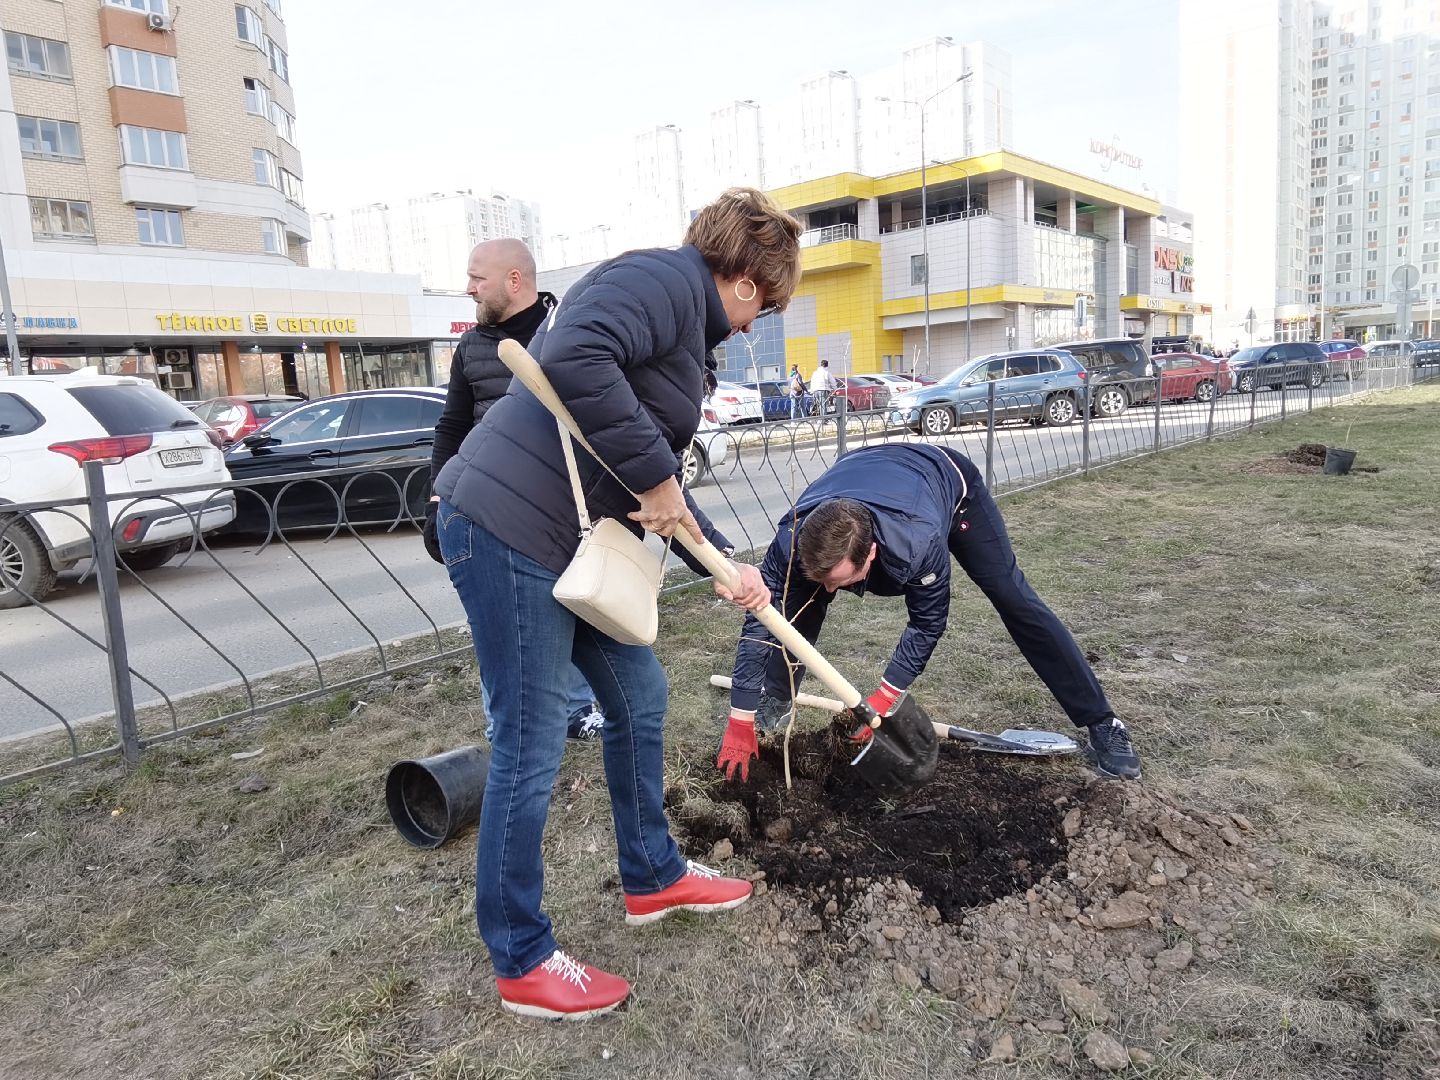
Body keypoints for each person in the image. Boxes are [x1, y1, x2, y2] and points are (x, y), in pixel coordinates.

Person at [433, 187, 802, 1020]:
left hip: (562, 542)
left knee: (640, 696)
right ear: (744, 280)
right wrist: (660, 478)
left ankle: (654, 875)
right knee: (529, 742)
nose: (755, 325)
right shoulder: (660, 280)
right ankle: (521, 957)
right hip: (504, 528)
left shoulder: (681, 329)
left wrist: (720, 561)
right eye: (764, 306)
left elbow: (645, 477)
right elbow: (575, 363)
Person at [715, 442, 1143, 785]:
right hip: (865, 474)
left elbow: (927, 622)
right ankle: (774, 701)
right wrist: (741, 714)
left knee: (1014, 598)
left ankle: (1103, 723)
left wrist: (884, 697)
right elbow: (761, 621)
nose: (831, 589)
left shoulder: (918, 545)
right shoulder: (790, 540)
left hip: (947, 487)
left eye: (843, 580)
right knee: (799, 603)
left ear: (872, 556)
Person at [423, 239, 604, 743]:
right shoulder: (472, 347)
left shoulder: (567, 330)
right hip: (487, 505)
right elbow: (451, 425)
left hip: (563, 500)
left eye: (477, 278)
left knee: (570, 604)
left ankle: (574, 709)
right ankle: (504, 725)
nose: (468, 288)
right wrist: (438, 499)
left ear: (514, 280)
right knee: (498, 618)